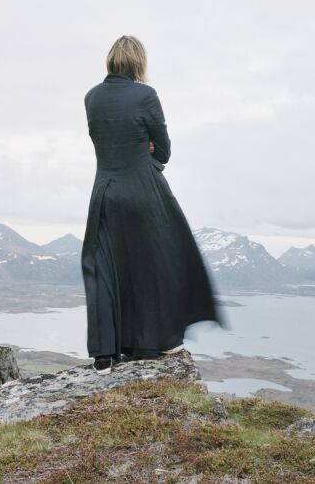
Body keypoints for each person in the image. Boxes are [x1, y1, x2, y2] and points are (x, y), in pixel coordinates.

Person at [81, 35, 226, 374]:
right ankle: (156, 342)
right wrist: (146, 149)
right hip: (143, 190)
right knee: (156, 263)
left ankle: (105, 355)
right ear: (138, 63)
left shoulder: (91, 98)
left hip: (104, 192)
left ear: (111, 61)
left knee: (104, 269)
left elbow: (102, 141)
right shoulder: (146, 95)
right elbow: (163, 150)